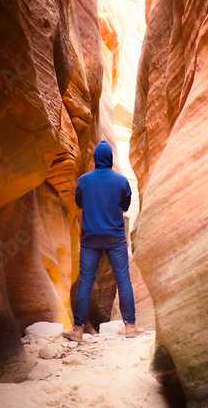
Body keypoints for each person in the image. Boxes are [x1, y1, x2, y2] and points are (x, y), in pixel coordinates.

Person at [62, 140, 144, 341]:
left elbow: (79, 203)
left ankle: (78, 329)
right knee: (123, 280)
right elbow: (125, 206)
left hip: (91, 238)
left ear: (95, 158)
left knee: (86, 282)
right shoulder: (122, 181)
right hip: (115, 238)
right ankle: (130, 326)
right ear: (110, 158)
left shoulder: (83, 180)